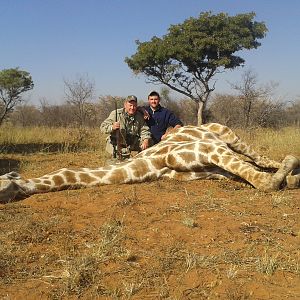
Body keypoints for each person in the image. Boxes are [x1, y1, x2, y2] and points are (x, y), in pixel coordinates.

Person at [100, 95, 151, 159]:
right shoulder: (116, 114)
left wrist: (145, 140)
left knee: (149, 141)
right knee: (117, 164)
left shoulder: (139, 116)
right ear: (125, 105)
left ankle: (141, 159)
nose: (132, 108)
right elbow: (102, 127)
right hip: (116, 144)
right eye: (130, 105)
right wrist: (112, 127)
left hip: (130, 142)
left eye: (134, 106)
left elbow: (144, 130)